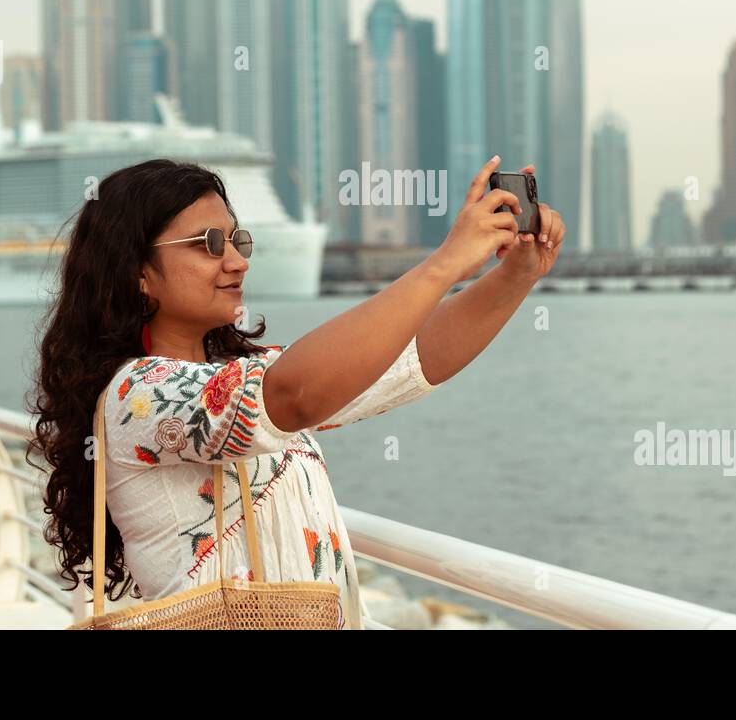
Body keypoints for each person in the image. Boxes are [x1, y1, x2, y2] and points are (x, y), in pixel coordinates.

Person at [30, 155, 565, 628]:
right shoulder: (135, 395)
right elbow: (294, 396)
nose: (237, 260)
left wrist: (516, 274)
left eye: (237, 240)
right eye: (209, 244)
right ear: (138, 273)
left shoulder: (248, 376)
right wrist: (445, 263)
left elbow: (412, 361)